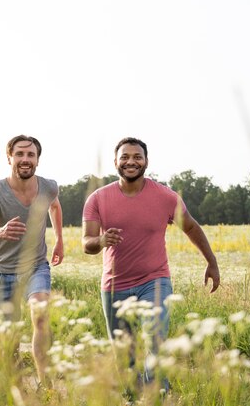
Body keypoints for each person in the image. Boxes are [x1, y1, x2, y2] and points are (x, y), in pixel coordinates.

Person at [81, 137, 220, 391]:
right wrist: (100, 240)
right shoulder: (98, 199)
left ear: (146, 162)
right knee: (126, 355)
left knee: (156, 339)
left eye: (137, 157)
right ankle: (133, 396)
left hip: (154, 281)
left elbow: (190, 226)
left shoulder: (165, 197)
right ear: (115, 162)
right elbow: (87, 244)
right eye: (125, 157)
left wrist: (211, 262)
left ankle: (157, 393)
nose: (130, 162)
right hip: (114, 285)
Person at [0, 135, 64, 386]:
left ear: (37, 159)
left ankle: (47, 385)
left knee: (41, 312)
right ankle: (17, 389)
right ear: (9, 158)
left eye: (31, 155)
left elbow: (54, 206)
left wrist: (59, 239)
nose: (25, 159)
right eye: (20, 154)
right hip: (4, 272)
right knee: (9, 338)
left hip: (36, 266)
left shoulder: (48, 186)